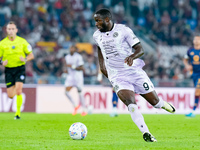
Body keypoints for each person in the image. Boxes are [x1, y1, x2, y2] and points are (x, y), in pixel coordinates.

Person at [93, 8, 176, 142]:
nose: (96, 24)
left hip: (134, 72)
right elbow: (99, 50)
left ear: (107, 20)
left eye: (98, 21)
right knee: (130, 103)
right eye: (95, 21)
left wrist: (132, 56)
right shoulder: (96, 35)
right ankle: (146, 133)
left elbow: (140, 49)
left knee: (155, 102)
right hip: (117, 76)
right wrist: (102, 68)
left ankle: (163, 104)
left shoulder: (123, 30)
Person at [0, 21, 34, 119]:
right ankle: (15, 87)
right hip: (9, 70)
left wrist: (26, 59)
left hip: (20, 68)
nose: (11, 31)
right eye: (9, 29)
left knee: (19, 91)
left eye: (12, 29)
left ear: (16, 30)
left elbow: (31, 55)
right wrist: (2, 63)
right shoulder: (2, 44)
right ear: (6, 31)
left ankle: (17, 113)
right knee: (10, 95)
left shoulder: (22, 42)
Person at [64, 45, 87, 116]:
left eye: (73, 48)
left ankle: (84, 109)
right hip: (70, 76)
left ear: (75, 50)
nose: (71, 49)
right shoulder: (67, 57)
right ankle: (75, 105)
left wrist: (72, 67)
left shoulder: (78, 57)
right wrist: (66, 70)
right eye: (70, 48)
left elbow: (81, 68)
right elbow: (67, 66)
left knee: (79, 92)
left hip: (78, 76)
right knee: (66, 92)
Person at [183, 35, 200, 117]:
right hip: (194, 74)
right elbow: (185, 59)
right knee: (197, 92)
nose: (196, 41)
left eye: (198, 39)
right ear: (193, 41)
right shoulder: (190, 50)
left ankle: (193, 111)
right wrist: (187, 66)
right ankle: (194, 110)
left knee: (197, 90)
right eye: (195, 39)